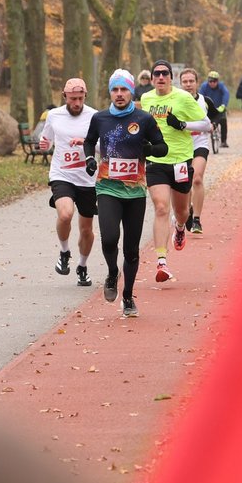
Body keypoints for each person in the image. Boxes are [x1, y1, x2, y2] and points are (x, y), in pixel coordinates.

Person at [83, 69, 168, 317]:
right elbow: (89, 141)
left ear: (131, 91)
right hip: (107, 187)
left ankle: (128, 296)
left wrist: (151, 148)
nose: (119, 94)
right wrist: (89, 157)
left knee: (131, 249)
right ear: (110, 91)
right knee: (109, 238)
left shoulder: (144, 119)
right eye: (115, 90)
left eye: (124, 90)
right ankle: (112, 273)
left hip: (135, 191)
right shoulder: (100, 118)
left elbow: (163, 147)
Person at [140, 59, 212, 281]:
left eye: (165, 73)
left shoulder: (183, 98)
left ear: (171, 77)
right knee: (161, 207)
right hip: (156, 160)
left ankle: (180, 227)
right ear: (152, 78)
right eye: (157, 74)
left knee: (181, 212)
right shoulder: (146, 98)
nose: (161, 77)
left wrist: (181, 125)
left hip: (181, 161)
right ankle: (161, 262)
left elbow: (206, 124)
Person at [38, 78, 98, 287]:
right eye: (73, 99)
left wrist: (87, 143)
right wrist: (44, 144)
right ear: (65, 97)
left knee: (86, 230)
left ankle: (82, 266)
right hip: (61, 174)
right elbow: (46, 141)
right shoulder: (54, 116)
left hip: (87, 179)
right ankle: (64, 252)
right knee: (65, 214)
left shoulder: (94, 116)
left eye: (80, 98)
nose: (77, 103)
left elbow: (102, 146)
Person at [179, 68, 224, 235]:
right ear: (181, 84)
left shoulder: (205, 101)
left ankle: (196, 219)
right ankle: (187, 211)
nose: (188, 85)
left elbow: (219, 115)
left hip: (200, 143)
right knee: (184, 183)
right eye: (185, 82)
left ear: (197, 83)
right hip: (181, 146)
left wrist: (213, 124)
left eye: (191, 81)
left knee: (197, 178)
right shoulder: (175, 101)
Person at [199, 70, 230, 147]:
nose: (212, 83)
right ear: (208, 80)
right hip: (208, 108)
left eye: (215, 81)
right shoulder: (204, 86)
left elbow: (226, 94)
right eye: (210, 81)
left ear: (218, 81)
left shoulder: (221, 86)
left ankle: (224, 141)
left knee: (223, 121)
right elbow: (200, 96)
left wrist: (224, 105)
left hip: (219, 108)